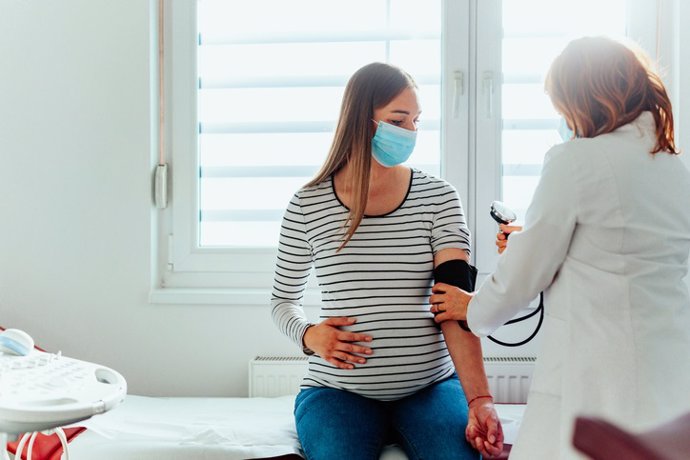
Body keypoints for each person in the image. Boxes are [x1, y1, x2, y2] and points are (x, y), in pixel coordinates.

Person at [429, 36, 690, 459]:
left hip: (602, 375)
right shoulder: (671, 166)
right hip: (672, 370)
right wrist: (532, 243)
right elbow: (617, 253)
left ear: (583, 98)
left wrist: (471, 308)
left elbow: (524, 277)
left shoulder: (575, 160)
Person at [270, 62, 503, 459]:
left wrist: (479, 398)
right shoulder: (307, 204)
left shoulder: (439, 198)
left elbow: (455, 305)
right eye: (399, 119)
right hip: (337, 392)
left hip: (430, 387)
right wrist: (311, 335)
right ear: (362, 121)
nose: (411, 131)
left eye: (416, 120)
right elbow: (281, 301)